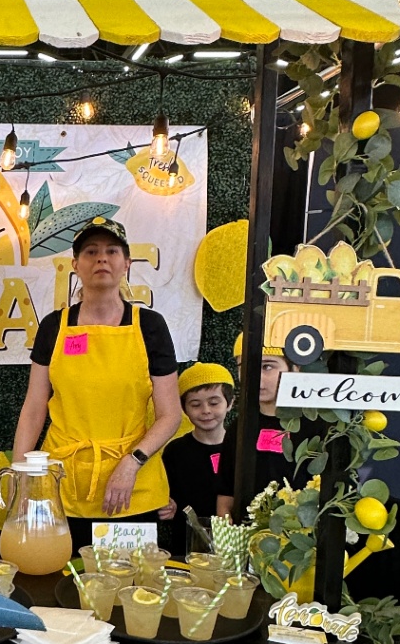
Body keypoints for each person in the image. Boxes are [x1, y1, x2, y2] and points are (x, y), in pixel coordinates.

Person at [12, 216, 182, 553]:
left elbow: (170, 415)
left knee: (130, 591)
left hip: (132, 486)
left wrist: (131, 463)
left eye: (111, 251)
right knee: (60, 585)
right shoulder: (53, 326)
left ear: (126, 264)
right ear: (75, 265)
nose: (101, 258)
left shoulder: (150, 326)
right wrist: (22, 479)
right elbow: (34, 409)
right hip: (61, 483)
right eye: (90, 252)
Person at [160, 362, 236, 554]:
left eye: (214, 402)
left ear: (230, 403)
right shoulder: (175, 451)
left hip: (232, 548)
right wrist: (167, 505)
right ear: (184, 408)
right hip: (185, 547)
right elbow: (166, 496)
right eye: (195, 404)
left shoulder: (240, 448)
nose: (206, 410)